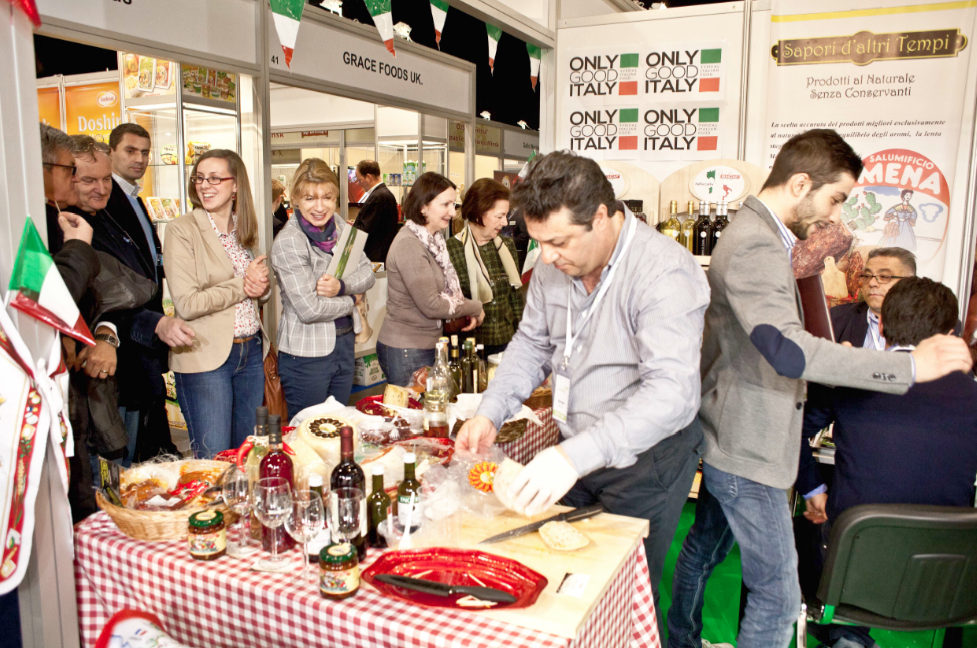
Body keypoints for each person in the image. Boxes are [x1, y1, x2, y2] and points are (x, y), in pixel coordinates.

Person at [667, 129, 973, 648]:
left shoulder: (767, 239)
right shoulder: (756, 243)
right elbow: (786, 349)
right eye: (835, 199)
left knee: (710, 548)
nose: (834, 215)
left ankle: (682, 638)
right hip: (748, 444)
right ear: (801, 182)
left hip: (746, 435)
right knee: (780, 597)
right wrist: (906, 368)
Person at [455, 151, 710, 633]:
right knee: (560, 582)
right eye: (539, 243)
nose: (547, 257)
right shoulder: (556, 263)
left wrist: (573, 458)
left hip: (645, 464)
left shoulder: (663, 271)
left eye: (558, 242)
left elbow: (672, 394)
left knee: (621, 590)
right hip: (576, 449)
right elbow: (532, 344)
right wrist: (491, 411)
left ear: (600, 217)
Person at [796, 277, 977, 648]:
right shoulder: (972, 393)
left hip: (855, 571)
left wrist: (814, 491)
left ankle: (846, 634)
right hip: (950, 578)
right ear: (949, 332)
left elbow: (791, 433)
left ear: (880, 325)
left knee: (801, 532)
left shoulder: (853, 381)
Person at [163, 149, 270, 458]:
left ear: (235, 185)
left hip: (249, 352)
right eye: (199, 178)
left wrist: (260, 288)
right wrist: (243, 286)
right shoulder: (182, 230)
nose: (205, 185)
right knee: (213, 460)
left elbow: (257, 290)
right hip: (206, 357)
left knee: (245, 455)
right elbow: (187, 303)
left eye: (215, 178)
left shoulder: (243, 228)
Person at [271, 158, 376, 416]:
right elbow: (309, 309)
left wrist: (341, 285)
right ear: (295, 198)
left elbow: (367, 274)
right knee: (309, 434)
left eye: (327, 197)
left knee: (338, 428)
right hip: (306, 357)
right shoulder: (289, 242)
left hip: (343, 346)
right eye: (310, 198)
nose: (320, 207)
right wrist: (352, 299)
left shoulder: (339, 225)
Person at [103, 123, 181, 462]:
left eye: (145, 152)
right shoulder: (107, 201)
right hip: (124, 329)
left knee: (149, 416)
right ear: (111, 153)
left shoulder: (134, 196)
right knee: (128, 431)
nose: (140, 159)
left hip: (147, 324)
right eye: (130, 151)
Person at [377, 172, 484, 386]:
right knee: (411, 416)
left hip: (425, 345)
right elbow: (432, 305)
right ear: (423, 206)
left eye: (454, 204)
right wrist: (475, 306)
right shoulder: (410, 244)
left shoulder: (432, 241)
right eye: (445, 204)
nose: (453, 213)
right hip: (407, 349)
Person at [446, 178, 524, 356]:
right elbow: (448, 302)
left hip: (507, 343)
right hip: (469, 347)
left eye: (506, 215)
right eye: (499, 216)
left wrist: (523, 340)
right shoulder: (450, 250)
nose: (505, 222)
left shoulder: (507, 246)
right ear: (479, 213)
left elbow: (515, 298)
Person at [831, 247, 915, 348]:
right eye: (867, 276)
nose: (871, 283)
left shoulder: (930, 326)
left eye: (884, 276)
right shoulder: (835, 318)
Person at [39, 123, 78, 253]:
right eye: (70, 169)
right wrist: (79, 248)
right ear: (43, 170)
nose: (76, 178)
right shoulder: (38, 225)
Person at [352, 159, 399, 263]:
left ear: (369, 177)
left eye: (359, 180)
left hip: (375, 256)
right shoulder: (385, 194)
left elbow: (365, 229)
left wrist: (355, 227)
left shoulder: (377, 197)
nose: (359, 184)